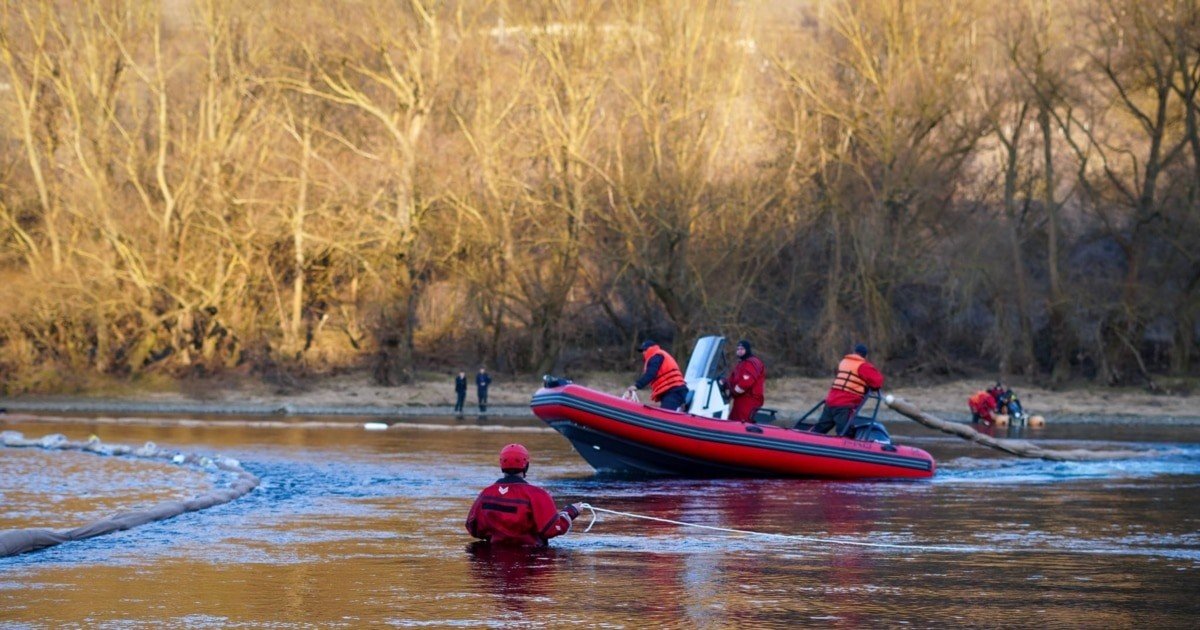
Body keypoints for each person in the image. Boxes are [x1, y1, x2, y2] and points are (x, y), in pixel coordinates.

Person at [465, 444, 585, 547]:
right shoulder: (538, 495)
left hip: (492, 561)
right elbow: (552, 529)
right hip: (529, 560)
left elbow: (472, 527)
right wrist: (571, 511)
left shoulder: (486, 493)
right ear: (526, 466)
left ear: (501, 465)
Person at [811, 343, 884, 436]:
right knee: (844, 433)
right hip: (845, 404)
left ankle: (803, 442)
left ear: (854, 352)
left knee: (819, 429)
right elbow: (877, 381)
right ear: (865, 355)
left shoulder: (843, 362)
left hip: (830, 401)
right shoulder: (863, 366)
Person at [625, 340, 690, 411]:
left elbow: (650, 374)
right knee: (668, 413)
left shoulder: (656, 357)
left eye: (644, 350)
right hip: (675, 390)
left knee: (666, 416)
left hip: (673, 391)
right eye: (642, 351)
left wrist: (636, 386)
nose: (643, 353)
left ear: (650, 349)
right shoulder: (660, 355)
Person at [725, 339, 766, 422]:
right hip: (740, 400)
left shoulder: (752, 362)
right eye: (738, 349)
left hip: (749, 399)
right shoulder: (741, 364)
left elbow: (746, 382)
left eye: (742, 349)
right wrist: (724, 383)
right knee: (733, 420)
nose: (739, 351)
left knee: (741, 422)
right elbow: (732, 379)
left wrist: (734, 391)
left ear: (747, 350)